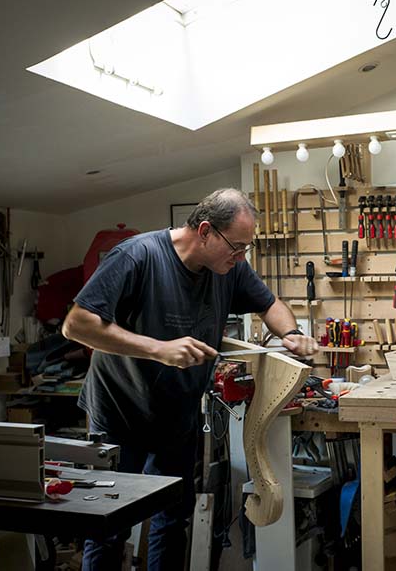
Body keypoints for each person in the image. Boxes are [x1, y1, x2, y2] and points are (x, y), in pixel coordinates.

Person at [62, 188, 317, 570]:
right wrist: (158, 349)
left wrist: (290, 333)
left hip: (176, 415)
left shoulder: (229, 269)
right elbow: (76, 325)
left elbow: (269, 304)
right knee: (109, 527)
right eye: (236, 246)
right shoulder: (137, 256)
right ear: (205, 231)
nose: (241, 257)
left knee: (171, 520)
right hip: (119, 413)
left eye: (246, 248)